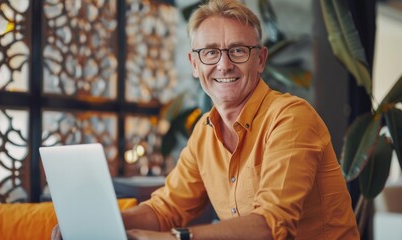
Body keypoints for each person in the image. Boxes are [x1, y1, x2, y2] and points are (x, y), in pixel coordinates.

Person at [52, 0, 360, 239]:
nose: (224, 65)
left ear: (260, 59)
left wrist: (177, 238)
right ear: (194, 64)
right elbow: (166, 209)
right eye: (210, 53)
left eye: (238, 50)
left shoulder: (291, 118)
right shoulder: (204, 132)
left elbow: (270, 226)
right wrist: (98, 226)